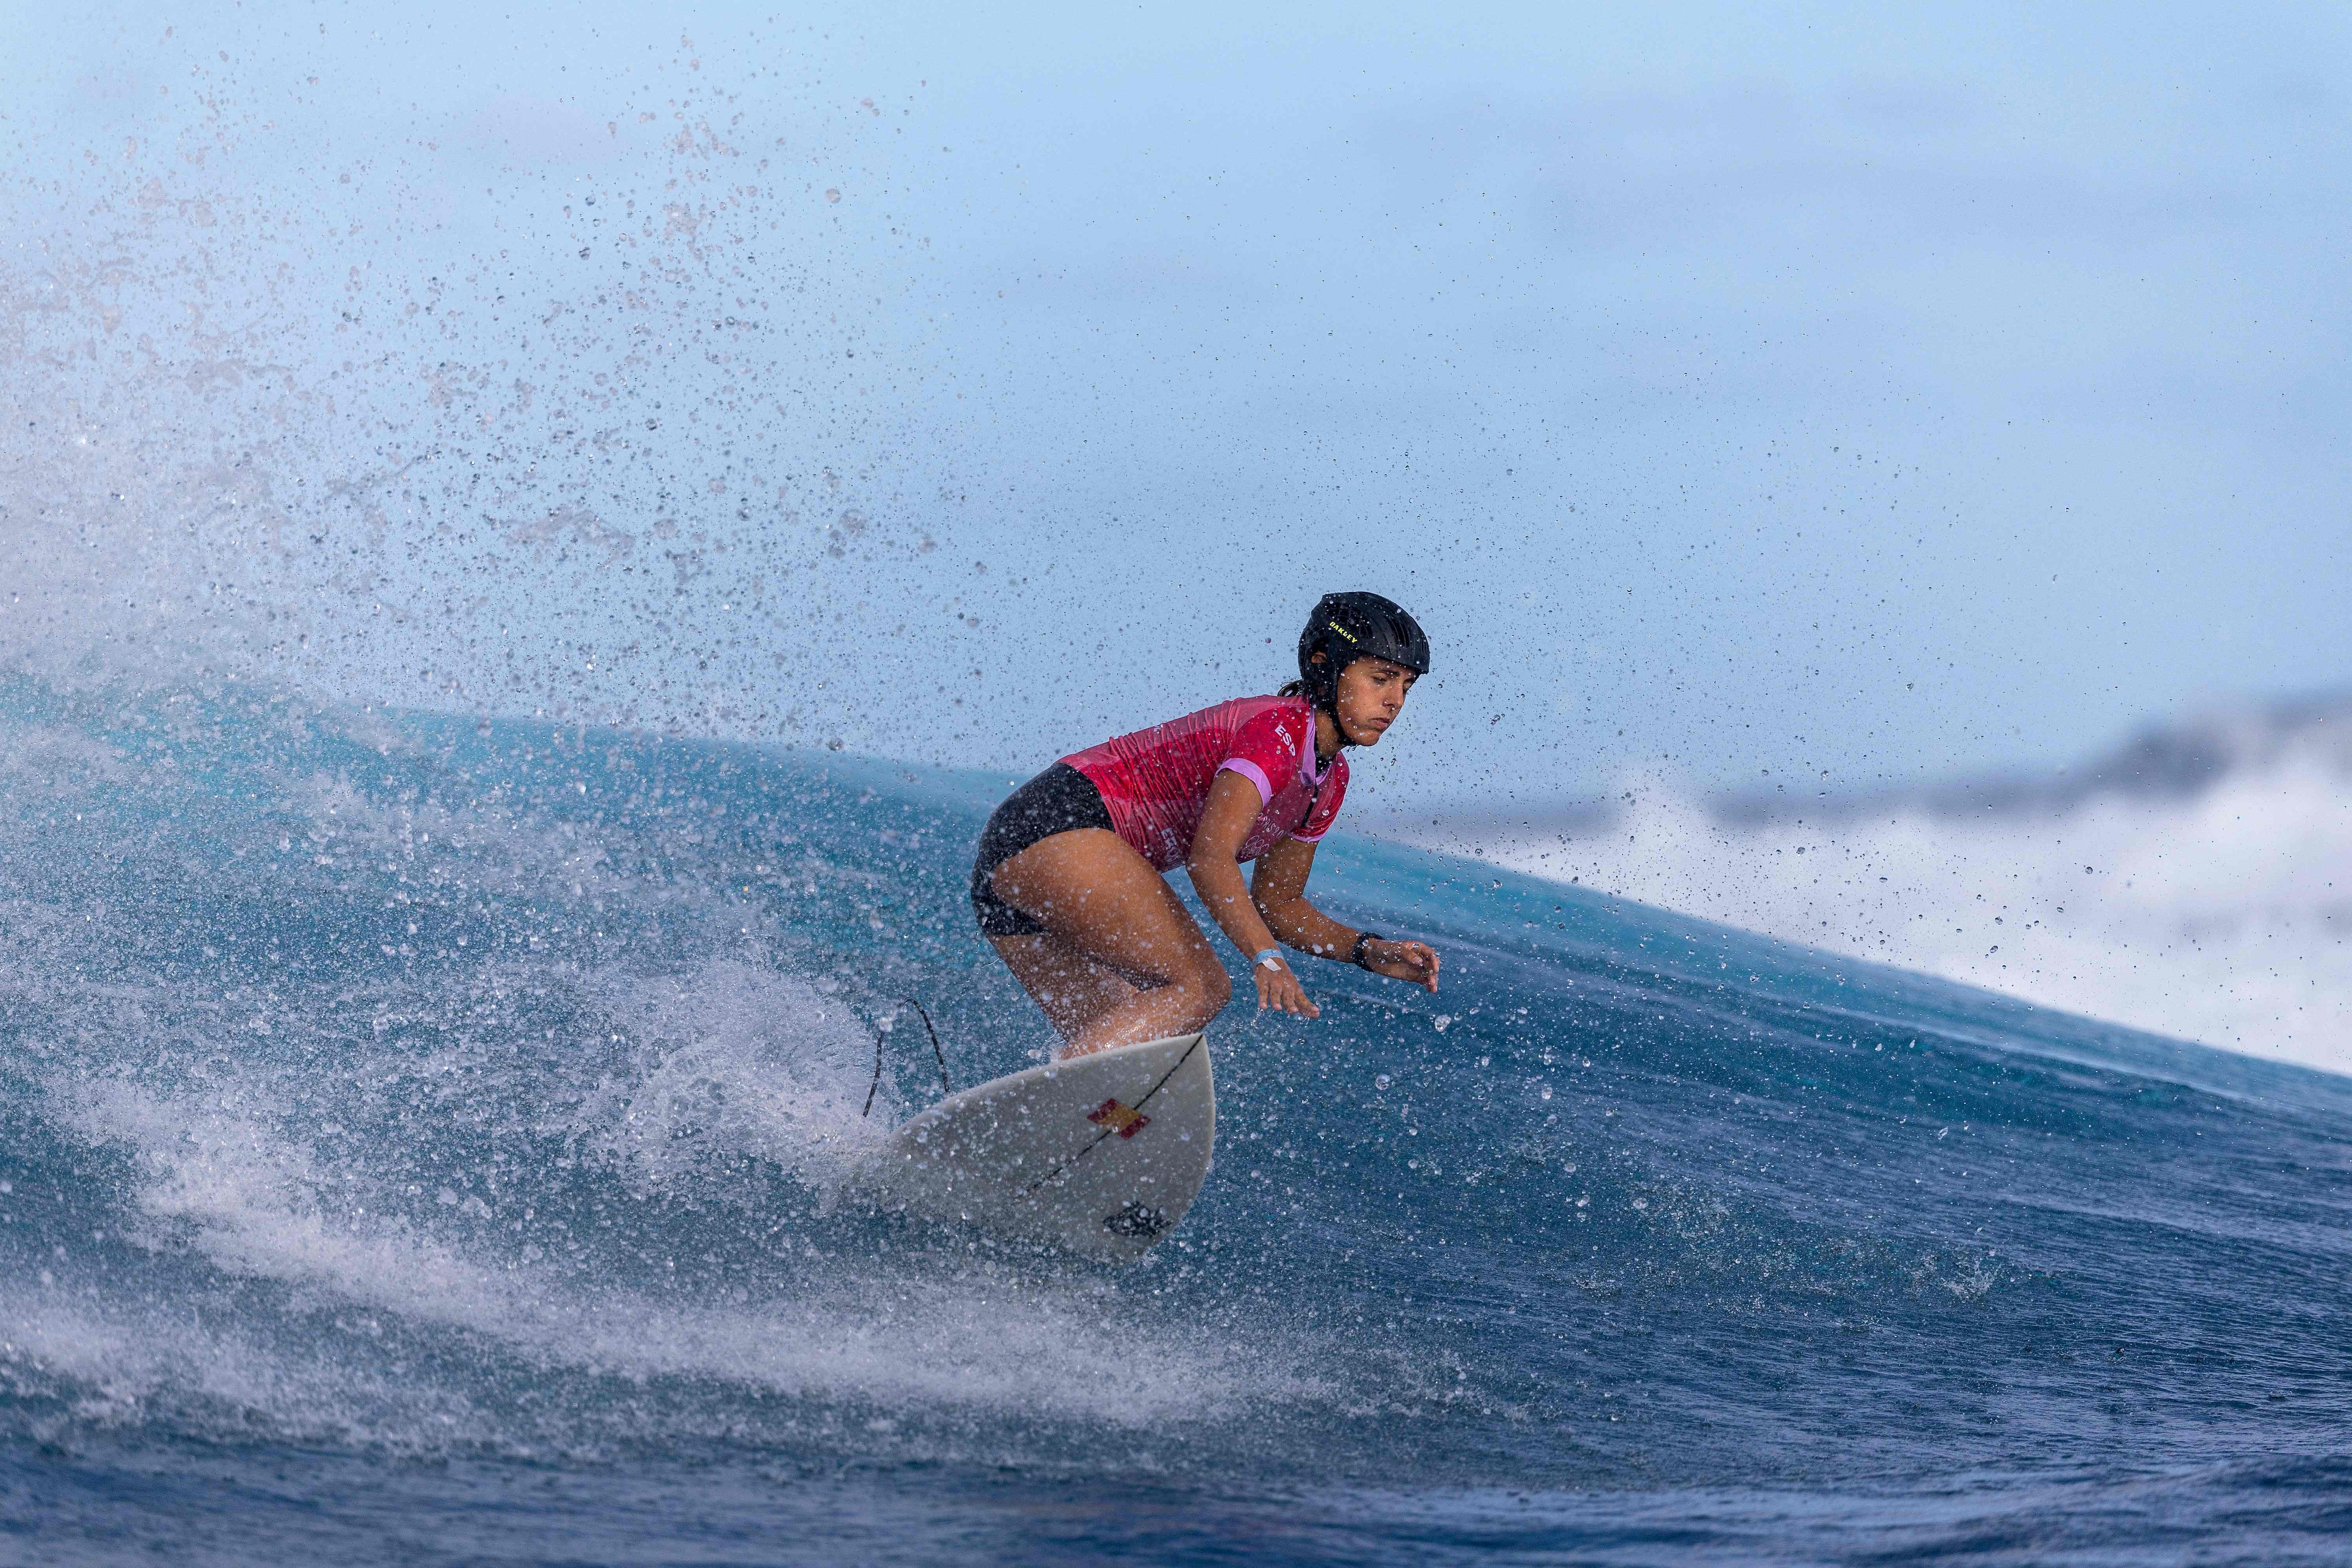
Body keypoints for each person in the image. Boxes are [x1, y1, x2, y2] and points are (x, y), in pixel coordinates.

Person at [971, 592, 1443, 1058]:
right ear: (1325, 665)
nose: (1395, 701)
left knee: (1126, 1054)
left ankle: (1055, 1129)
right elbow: (1210, 858)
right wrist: (1266, 958)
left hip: (1017, 873)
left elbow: (1280, 903)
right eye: (1381, 679)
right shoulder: (1276, 734)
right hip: (1056, 825)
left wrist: (1367, 949)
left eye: (1405, 686)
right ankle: (1063, 1113)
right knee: (1200, 987)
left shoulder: (1328, 780)